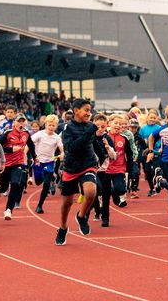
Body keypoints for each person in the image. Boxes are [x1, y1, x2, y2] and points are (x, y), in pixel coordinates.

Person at [55, 98, 105, 246]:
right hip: (71, 167)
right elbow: (72, 147)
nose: (89, 114)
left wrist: (101, 157)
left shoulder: (90, 126)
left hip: (88, 164)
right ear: (76, 111)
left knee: (91, 192)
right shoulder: (67, 128)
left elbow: (93, 143)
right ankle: (63, 228)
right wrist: (90, 131)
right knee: (67, 203)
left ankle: (81, 216)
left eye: (90, 111)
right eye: (86, 110)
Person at [0, 112, 30, 221]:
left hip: (19, 163)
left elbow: (31, 145)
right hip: (6, 163)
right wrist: (10, 149)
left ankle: (8, 210)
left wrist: (35, 156)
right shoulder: (8, 133)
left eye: (23, 121)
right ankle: (0, 188)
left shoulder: (26, 134)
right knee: (4, 187)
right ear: (14, 123)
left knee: (16, 184)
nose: (21, 123)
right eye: (19, 121)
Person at [31, 114, 64, 214]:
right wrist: (26, 155)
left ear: (56, 126)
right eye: (49, 125)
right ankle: (46, 177)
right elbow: (29, 144)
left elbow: (62, 149)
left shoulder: (56, 138)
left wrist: (62, 154)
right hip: (38, 162)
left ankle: (40, 205)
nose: (51, 127)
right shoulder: (39, 134)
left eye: (53, 125)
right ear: (45, 125)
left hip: (49, 162)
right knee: (38, 182)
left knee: (46, 184)